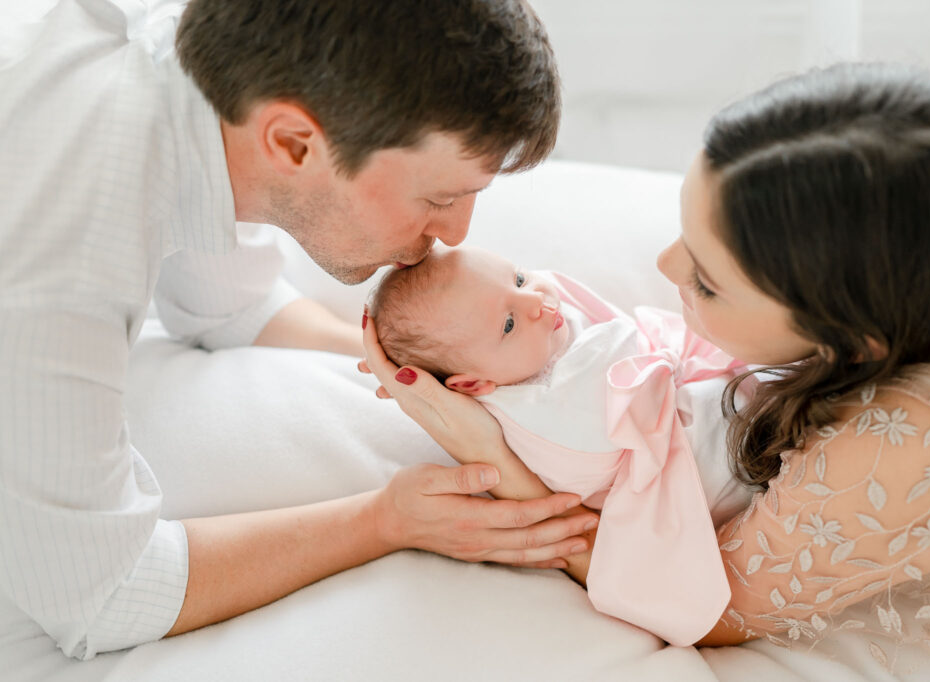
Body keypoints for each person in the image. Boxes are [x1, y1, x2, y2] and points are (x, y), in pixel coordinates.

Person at [362, 62, 930, 678]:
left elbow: (710, 606)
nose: (665, 268)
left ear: (852, 338)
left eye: (706, 282)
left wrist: (491, 454)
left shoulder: (898, 443)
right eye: (684, 228)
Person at [0, 0, 601, 660]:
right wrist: (387, 520)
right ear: (291, 142)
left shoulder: (211, 78)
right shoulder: (65, 247)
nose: (457, 233)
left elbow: (227, 307)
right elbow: (100, 596)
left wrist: (425, 377)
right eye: (438, 198)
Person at [369, 245, 754, 645]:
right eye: (507, 324)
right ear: (470, 385)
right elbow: (594, 452)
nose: (536, 300)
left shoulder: (529, 344)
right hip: (706, 469)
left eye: (518, 278)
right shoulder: (531, 414)